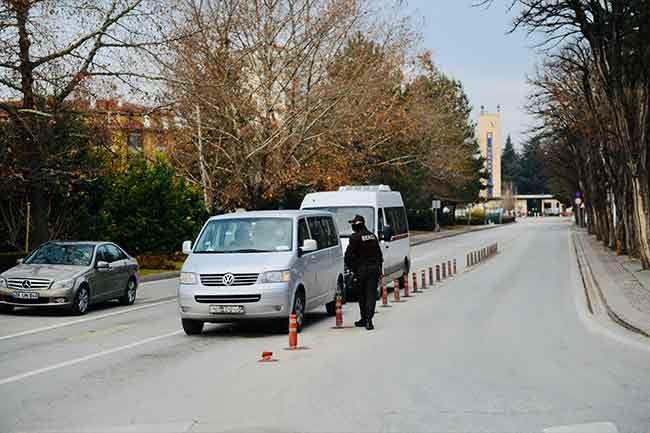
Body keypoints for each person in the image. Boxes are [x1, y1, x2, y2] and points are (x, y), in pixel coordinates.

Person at [344, 214, 383, 330]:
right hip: (374, 270)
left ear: (357, 225)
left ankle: (365, 318)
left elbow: (348, 256)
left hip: (361, 270)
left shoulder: (354, 237)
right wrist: (379, 269)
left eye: (353, 224)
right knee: (371, 294)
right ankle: (368, 320)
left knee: (362, 295)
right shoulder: (372, 236)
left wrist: (352, 269)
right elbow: (379, 255)